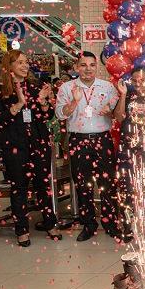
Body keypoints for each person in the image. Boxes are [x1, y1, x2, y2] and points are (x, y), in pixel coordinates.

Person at [0, 51, 61, 246]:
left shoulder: (35, 86)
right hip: (13, 145)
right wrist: (19, 104)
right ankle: (21, 230)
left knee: (42, 186)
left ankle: (50, 223)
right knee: (19, 187)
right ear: (9, 66)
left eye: (26, 61)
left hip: (38, 143)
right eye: (19, 62)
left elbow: (48, 117)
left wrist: (44, 102)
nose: (24, 65)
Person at [55, 51, 121, 242]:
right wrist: (75, 101)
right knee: (82, 185)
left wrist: (109, 112)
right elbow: (61, 115)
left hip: (103, 139)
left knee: (107, 184)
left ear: (96, 67)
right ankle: (89, 225)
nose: (88, 69)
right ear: (76, 68)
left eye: (92, 65)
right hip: (78, 140)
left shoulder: (107, 87)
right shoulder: (67, 88)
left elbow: (115, 114)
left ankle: (110, 224)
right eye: (83, 65)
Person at [113, 67, 145, 243]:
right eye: (135, 81)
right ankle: (128, 226)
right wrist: (123, 95)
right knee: (126, 189)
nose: (138, 84)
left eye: (142, 80)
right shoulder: (127, 95)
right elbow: (118, 117)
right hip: (127, 149)